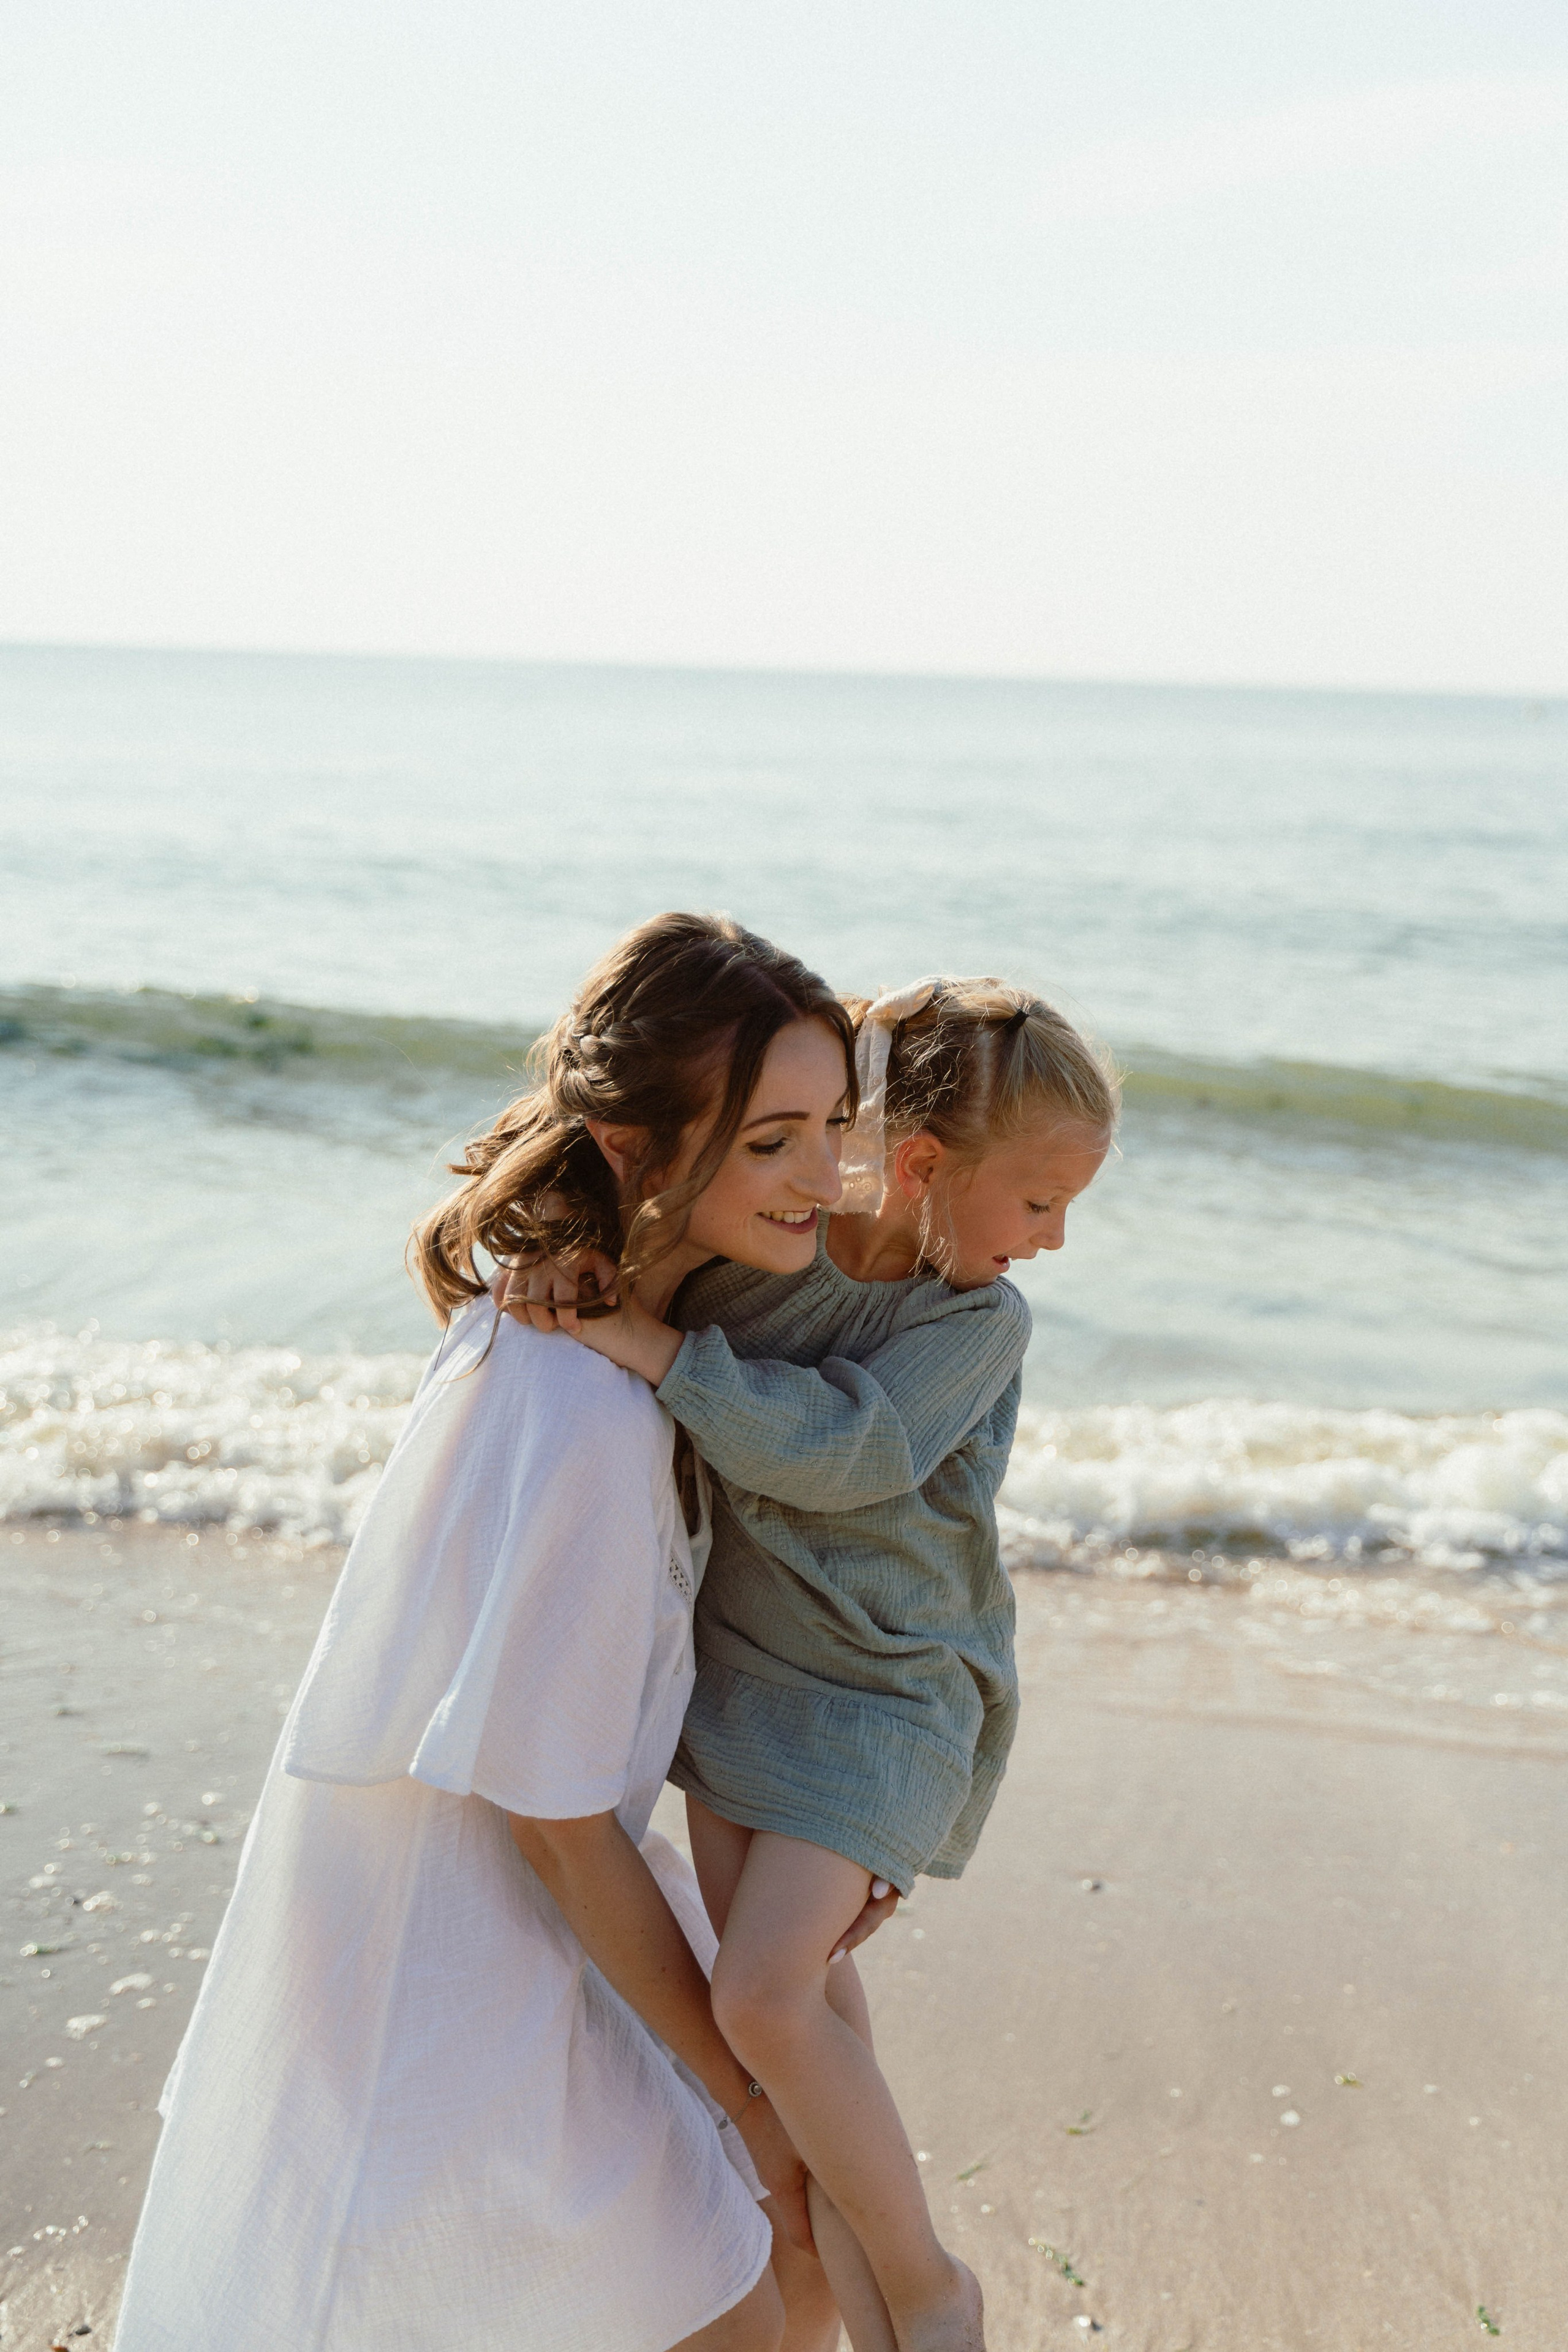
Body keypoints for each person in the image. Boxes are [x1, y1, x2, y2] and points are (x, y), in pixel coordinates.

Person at [113, 911, 903, 2352]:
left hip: (500, 1933)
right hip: (461, 1981)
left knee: (775, 2274)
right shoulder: (581, 1406)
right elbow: (549, 1819)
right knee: (753, 2285)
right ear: (630, 1144)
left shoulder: (584, 1337)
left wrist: (838, 1828)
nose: (823, 1176)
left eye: (836, 1124)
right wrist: (741, 2094)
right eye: (773, 1136)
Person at [508, 973, 1118, 2352]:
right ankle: (849, 2304)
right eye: (1038, 1203)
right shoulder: (769, 1254)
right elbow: (640, 1233)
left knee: (762, 1995)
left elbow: (845, 1453)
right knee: (804, 2047)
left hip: (892, 1696)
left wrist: (642, 1342)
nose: (1057, 1240)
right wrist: (572, 1277)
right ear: (915, 1165)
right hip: (744, 1690)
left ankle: (926, 2290)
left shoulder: (975, 1325)